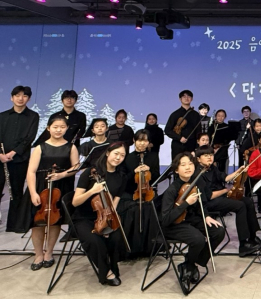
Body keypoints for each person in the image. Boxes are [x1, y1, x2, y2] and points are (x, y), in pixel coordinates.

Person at [13, 115, 79, 270]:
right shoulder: (40, 147)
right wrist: (33, 193)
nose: (58, 130)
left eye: (62, 127)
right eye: (55, 127)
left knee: (55, 222)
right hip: (40, 187)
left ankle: (49, 253)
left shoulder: (71, 147)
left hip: (61, 187)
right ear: (48, 128)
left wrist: (62, 175)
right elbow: (31, 172)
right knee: (38, 223)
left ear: (67, 128)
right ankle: (38, 254)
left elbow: (75, 167)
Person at [161, 153, 224, 288]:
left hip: (191, 220)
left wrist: (206, 216)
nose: (188, 167)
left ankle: (190, 264)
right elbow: (166, 219)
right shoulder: (171, 190)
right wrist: (186, 203)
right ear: (176, 170)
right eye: (183, 165)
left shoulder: (196, 183)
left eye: (190, 164)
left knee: (218, 231)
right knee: (198, 239)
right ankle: (189, 267)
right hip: (174, 224)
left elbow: (201, 205)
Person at [72, 142, 127, 286]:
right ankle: (106, 272)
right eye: (116, 154)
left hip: (105, 216)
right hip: (84, 218)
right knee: (95, 241)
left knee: (116, 238)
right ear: (108, 153)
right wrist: (92, 191)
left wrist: (109, 220)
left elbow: (114, 203)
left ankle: (113, 266)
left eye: (122, 155)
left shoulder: (121, 176)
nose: (118, 158)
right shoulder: (90, 173)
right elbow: (75, 202)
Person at [194, 146, 261, 257]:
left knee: (248, 201)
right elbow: (209, 196)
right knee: (240, 205)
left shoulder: (212, 168)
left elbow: (225, 178)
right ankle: (243, 244)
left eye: (211, 155)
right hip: (209, 203)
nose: (209, 157)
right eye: (206, 156)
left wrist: (239, 171)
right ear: (198, 159)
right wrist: (226, 190)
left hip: (221, 197)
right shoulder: (198, 174)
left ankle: (252, 237)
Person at [0, 85, 39, 230]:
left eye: (24, 96)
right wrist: (1, 155)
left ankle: (13, 225)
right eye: (17, 95)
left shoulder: (33, 116)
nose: (20, 98)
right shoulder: (2, 116)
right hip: (0, 159)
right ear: (12, 98)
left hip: (19, 159)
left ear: (28, 99)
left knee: (16, 192)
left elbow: (29, 138)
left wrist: (13, 153)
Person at [118, 130, 160, 258]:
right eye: (140, 140)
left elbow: (157, 176)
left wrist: (149, 171)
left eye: (145, 141)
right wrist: (134, 172)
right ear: (134, 141)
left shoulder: (153, 156)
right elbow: (123, 179)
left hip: (148, 191)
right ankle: (131, 248)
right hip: (131, 192)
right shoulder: (127, 157)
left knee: (151, 207)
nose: (142, 143)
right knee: (133, 209)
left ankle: (149, 248)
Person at [165, 90, 200, 158]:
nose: (186, 98)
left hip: (191, 145)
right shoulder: (175, 114)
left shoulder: (196, 115)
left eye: (188, 96)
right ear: (180, 99)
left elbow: (198, 132)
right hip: (178, 145)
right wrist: (179, 138)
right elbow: (167, 130)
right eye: (184, 97)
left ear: (192, 99)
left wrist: (196, 148)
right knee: (177, 163)